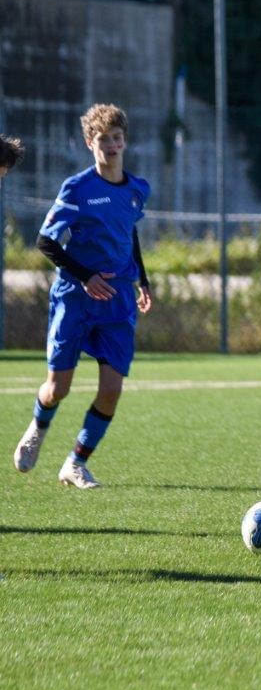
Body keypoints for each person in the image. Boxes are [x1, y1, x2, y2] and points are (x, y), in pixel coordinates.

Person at [13, 104, 153, 489]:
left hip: (117, 301)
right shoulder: (77, 188)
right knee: (58, 388)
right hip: (75, 297)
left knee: (112, 390)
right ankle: (38, 428)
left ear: (125, 140)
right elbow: (45, 241)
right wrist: (86, 277)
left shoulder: (138, 189)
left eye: (117, 138)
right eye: (103, 139)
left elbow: (130, 234)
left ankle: (75, 463)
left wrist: (143, 279)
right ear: (90, 142)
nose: (111, 145)